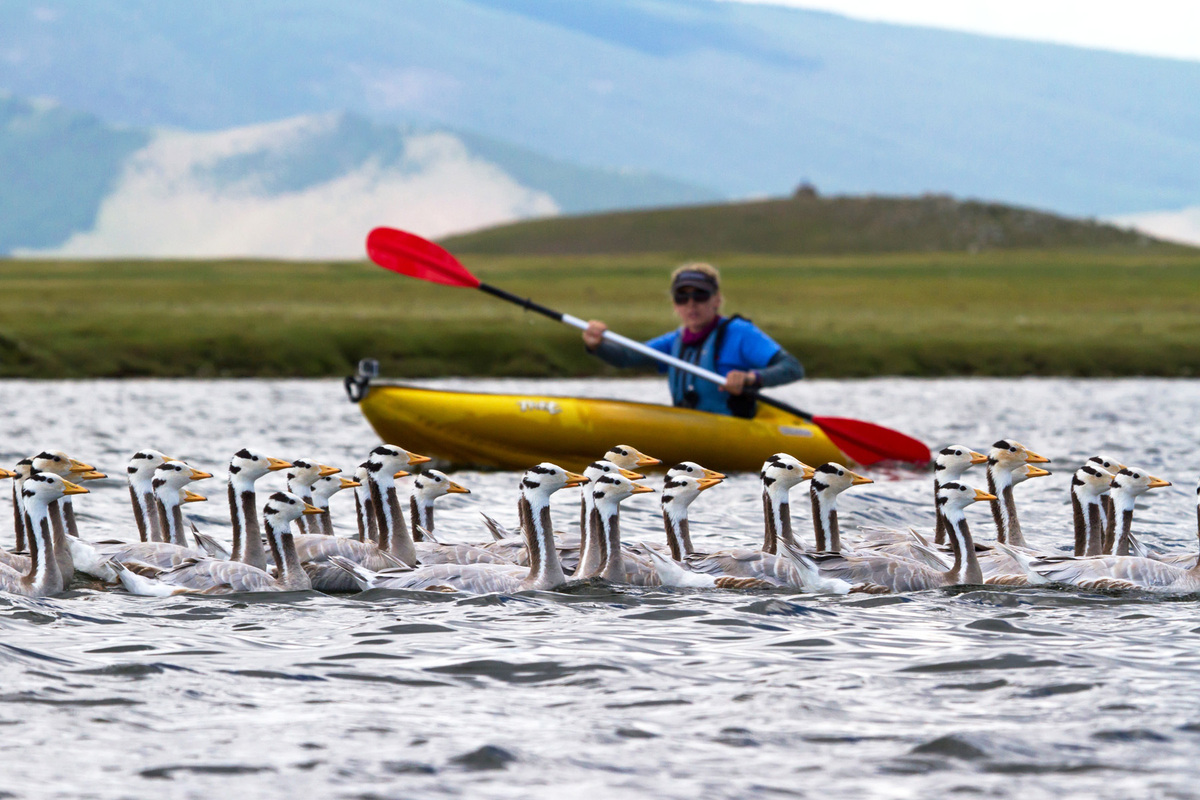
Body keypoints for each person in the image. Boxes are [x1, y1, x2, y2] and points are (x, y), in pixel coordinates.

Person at [582, 262, 804, 418]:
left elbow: (792, 368)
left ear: (716, 300)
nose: (691, 304)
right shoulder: (674, 342)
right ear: (674, 304)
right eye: (682, 297)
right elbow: (625, 357)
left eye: (700, 295)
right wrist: (597, 344)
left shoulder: (740, 333)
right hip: (691, 428)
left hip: (734, 429)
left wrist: (750, 378)